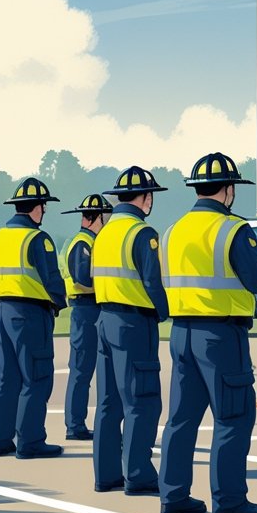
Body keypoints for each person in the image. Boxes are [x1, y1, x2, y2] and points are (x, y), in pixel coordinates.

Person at [158, 153, 257, 513]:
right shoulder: (232, 229)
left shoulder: (173, 230)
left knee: (181, 418)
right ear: (227, 190)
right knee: (233, 416)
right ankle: (229, 501)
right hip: (221, 335)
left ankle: (173, 496)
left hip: (181, 333)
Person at [92, 168, 169, 495]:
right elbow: (152, 281)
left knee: (109, 402)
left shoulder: (105, 232)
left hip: (105, 319)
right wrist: (165, 312)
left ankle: (106, 475)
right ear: (145, 198)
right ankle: (138, 475)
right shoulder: (142, 233)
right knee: (142, 401)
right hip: (134, 323)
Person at [0, 178, 67, 459]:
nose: (44, 213)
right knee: (36, 377)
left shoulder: (0, 236)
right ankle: (30, 442)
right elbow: (52, 279)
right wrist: (59, 303)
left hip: (4, 311)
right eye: (43, 207)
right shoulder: (37, 239)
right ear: (37, 208)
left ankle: (0, 441)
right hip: (30, 313)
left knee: (6, 378)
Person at [59, 193, 113, 441]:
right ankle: (75, 425)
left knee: (87, 369)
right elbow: (83, 276)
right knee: (81, 370)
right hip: (86, 310)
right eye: (107, 216)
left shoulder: (85, 241)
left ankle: (77, 423)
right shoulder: (83, 243)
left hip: (90, 309)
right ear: (97, 217)